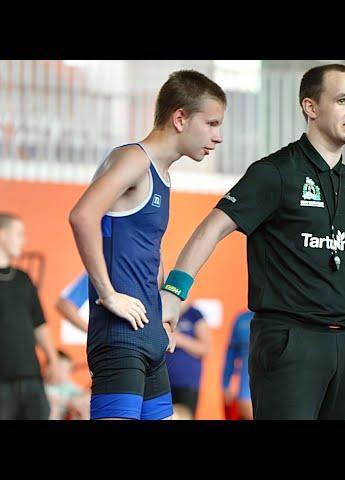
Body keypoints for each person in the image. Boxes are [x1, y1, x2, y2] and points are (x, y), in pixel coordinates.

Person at [160, 64, 345, 420]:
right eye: (343, 101)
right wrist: (174, 291)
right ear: (311, 106)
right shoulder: (274, 172)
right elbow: (212, 228)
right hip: (290, 341)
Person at [69, 70, 226, 420]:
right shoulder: (134, 160)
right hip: (120, 338)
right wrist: (108, 294)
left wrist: (164, 315)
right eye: (212, 123)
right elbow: (82, 216)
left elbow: (150, 254)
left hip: (149, 336)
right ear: (180, 118)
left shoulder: (163, 175)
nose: (218, 137)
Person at [0, 212, 58, 419]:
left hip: (33, 379)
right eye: (19, 234)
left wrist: (52, 359)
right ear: (0, 235)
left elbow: (39, 324)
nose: (24, 240)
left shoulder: (23, 279)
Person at [165, 302, 211, 419]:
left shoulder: (194, 314)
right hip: (162, 381)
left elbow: (205, 348)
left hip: (186, 384)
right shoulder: (162, 312)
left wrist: (179, 339)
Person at [222, 310, 254, 420]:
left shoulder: (283, 318)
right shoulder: (243, 320)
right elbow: (231, 354)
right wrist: (225, 384)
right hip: (247, 390)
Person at [45, 349, 90, 420]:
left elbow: (83, 393)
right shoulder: (42, 386)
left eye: (67, 371)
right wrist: (69, 402)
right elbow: (51, 398)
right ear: (47, 368)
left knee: (85, 404)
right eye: (60, 369)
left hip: (67, 412)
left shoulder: (67, 385)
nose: (63, 374)